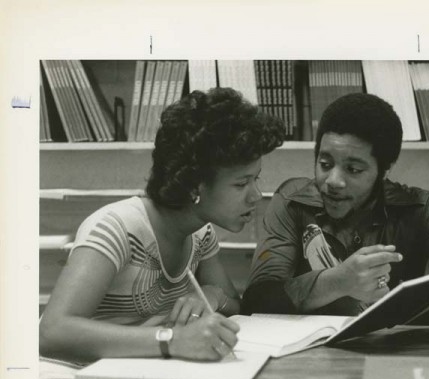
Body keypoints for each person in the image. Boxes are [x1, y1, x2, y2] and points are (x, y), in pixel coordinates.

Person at [40, 88, 285, 363]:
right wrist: (173, 340)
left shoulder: (200, 233)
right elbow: (51, 332)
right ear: (195, 185)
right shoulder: (117, 228)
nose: (255, 196)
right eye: (241, 184)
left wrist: (210, 295)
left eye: (256, 179)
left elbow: (232, 303)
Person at [242, 92, 429, 326]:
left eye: (354, 169)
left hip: (393, 361)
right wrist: (338, 281)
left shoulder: (423, 209)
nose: (333, 181)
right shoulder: (292, 201)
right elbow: (257, 300)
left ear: (385, 169)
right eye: (324, 163)